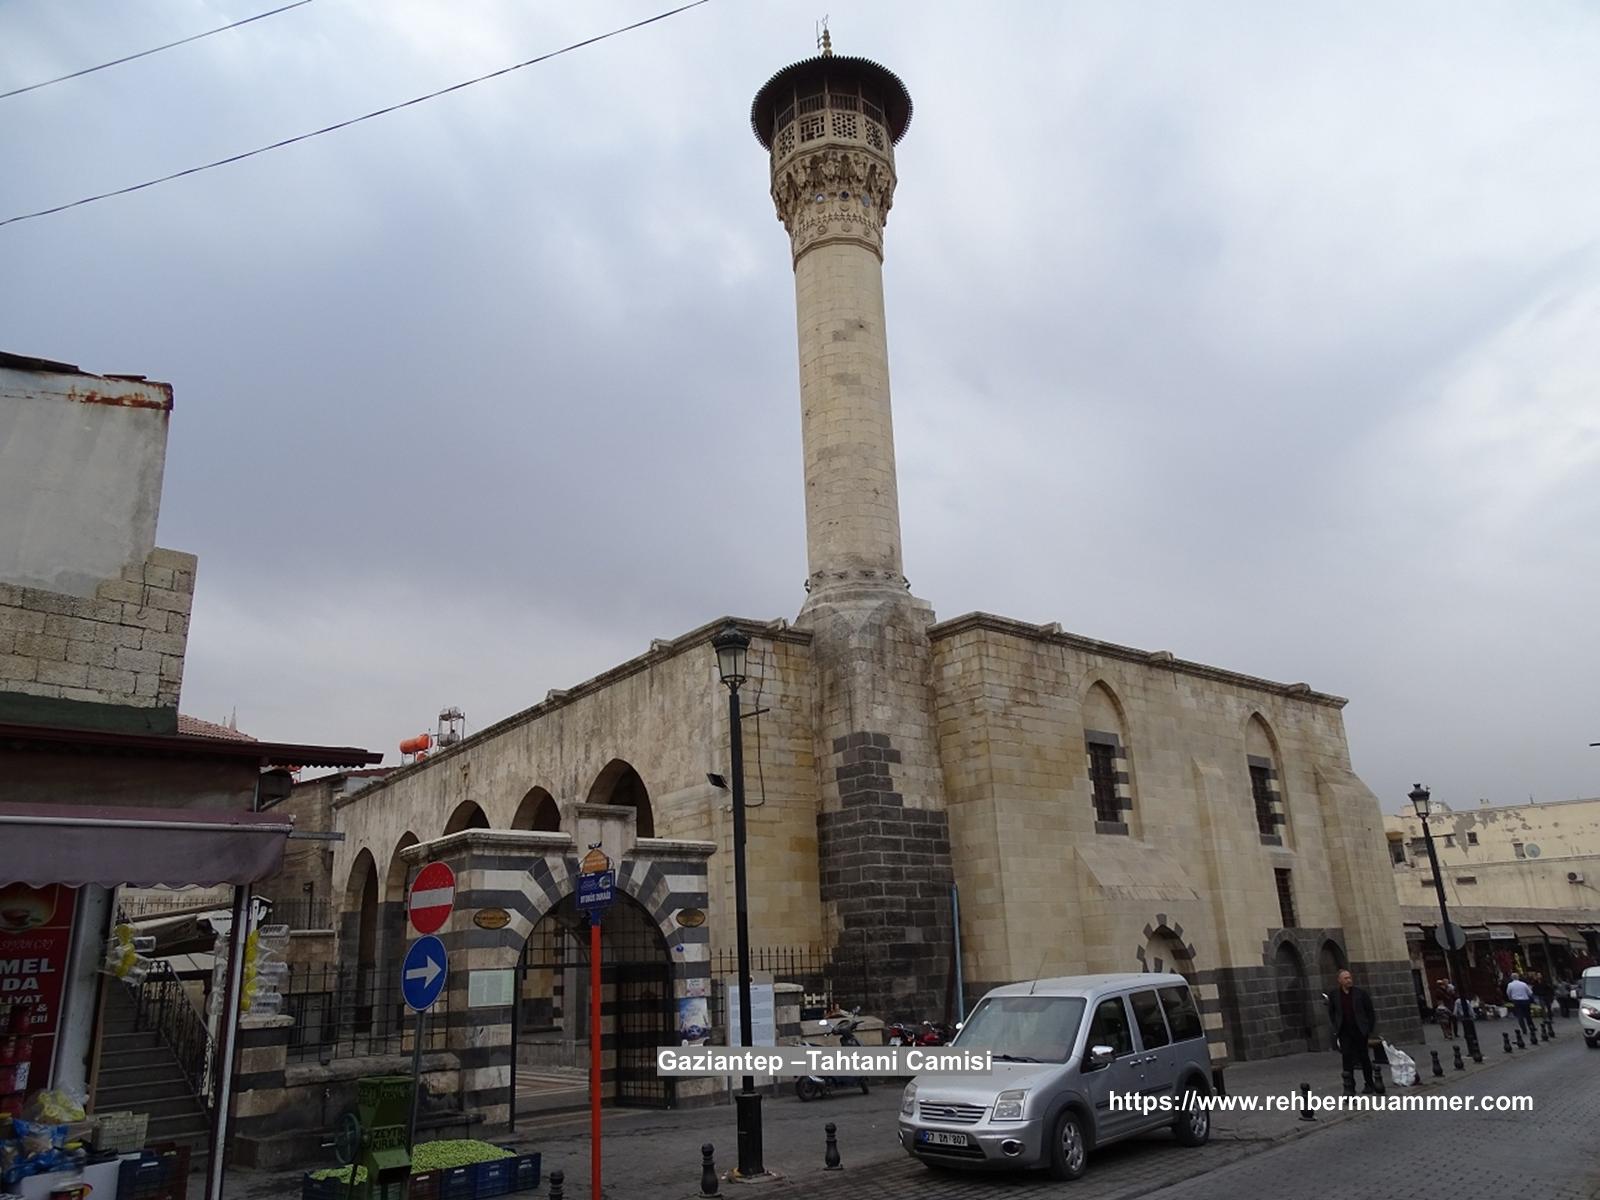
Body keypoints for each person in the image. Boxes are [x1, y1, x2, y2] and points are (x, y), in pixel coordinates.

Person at [1326, 968, 1381, 1095]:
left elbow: (1369, 1011)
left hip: (1359, 1030)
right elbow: (1332, 1012)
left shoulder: (1360, 993)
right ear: (1339, 980)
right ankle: (1349, 1086)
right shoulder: (1334, 995)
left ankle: (1369, 1084)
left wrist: (1368, 1029)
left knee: (1364, 1057)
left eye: (1350, 977)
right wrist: (1336, 1026)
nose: (1349, 980)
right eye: (1346, 978)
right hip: (1344, 1031)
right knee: (1347, 1058)